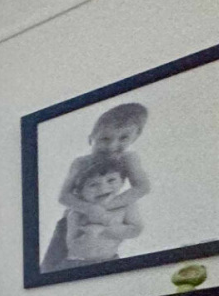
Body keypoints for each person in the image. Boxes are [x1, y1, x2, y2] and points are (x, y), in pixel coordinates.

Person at [41, 102, 151, 271]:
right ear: (91, 137)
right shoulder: (81, 162)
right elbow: (64, 196)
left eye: (123, 138)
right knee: (50, 268)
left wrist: (106, 207)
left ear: (136, 136)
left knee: (103, 258)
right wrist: (89, 208)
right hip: (75, 219)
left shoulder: (128, 158)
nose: (112, 145)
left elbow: (142, 187)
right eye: (105, 139)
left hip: (109, 218)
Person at [53, 155, 143, 267]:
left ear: (122, 181)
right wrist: (89, 235)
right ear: (80, 192)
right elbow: (72, 246)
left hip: (111, 260)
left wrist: (105, 230)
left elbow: (135, 230)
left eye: (111, 180)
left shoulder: (126, 207)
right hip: (77, 263)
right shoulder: (76, 214)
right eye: (93, 184)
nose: (103, 188)